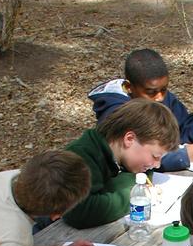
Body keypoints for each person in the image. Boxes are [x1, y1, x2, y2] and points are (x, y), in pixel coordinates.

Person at [88, 48, 193, 171]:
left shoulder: (158, 98)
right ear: (129, 87)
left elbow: (185, 122)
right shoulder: (117, 114)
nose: (160, 97)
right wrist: (183, 156)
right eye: (151, 92)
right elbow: (132, 158)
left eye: (164, 89)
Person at [63, 97, 179, 228]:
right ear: (129, 139)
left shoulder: (126, 157)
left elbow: (143, 176)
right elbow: (78, 212)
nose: (157, 165)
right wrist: (138, 196)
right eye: (155, 156)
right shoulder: (82, 156)